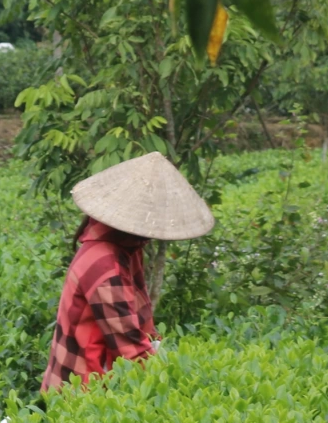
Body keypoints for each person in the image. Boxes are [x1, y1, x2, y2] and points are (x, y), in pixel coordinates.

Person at [41, 152, 214, 392]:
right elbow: (129, 349)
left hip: (92, 379)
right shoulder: (104, 263)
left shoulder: (123, 248)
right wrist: (181, 389)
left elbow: (136, 330)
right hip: (81, 391)